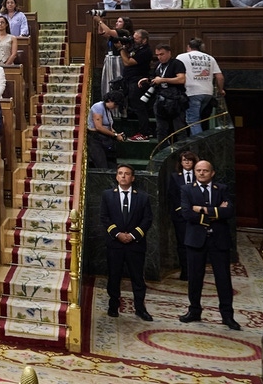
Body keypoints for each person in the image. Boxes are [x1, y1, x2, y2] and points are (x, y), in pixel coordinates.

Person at [179, 160, 239, 330]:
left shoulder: (222, 189)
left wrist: (203, 210)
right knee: (195, 278)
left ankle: (227, 316)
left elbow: (229, 212)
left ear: (212, 173)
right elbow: (187, 214)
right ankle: (194, 311)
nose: (201, 173)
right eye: (198, 170)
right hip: (195, 240)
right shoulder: (186, 189)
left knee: (223, 279)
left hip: (219, 240)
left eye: (205, 170)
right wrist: (216, 212)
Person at [100, 164, 153, 321]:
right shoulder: (107, 195)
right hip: (115, 245)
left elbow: (147, 219)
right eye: (120, 173)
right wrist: (117, 234)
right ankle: (113, 306)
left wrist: (132, 235)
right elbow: (104, 217)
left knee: (137, 278)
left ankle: (140, 308)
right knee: (114, 276)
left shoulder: (142, 197)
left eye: (127, 174)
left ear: (133, 177)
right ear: (116, 176)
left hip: (135, 244)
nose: (123, 176)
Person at [175, 38, 224, 136]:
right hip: (207, 92)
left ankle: (199, 146)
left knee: (193, 121)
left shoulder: (181, 57)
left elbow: (176, 72)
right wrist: (220, 90)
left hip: (191, 91)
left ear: (188, 47)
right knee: (198, 119)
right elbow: (220, 77)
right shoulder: (210, 58)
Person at [141, 43, 188, 145]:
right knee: (160, 130)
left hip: (176, 100)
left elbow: (181, 79)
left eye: (162, 54)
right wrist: (148, 80)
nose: (159, 57)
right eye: (157, 55)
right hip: (161, 100)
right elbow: (155, 79)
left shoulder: (177, 63)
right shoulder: (158, 65)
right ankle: (161, 152)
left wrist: (162, 80)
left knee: (179, 129)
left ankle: (183, 154)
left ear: (169, 53)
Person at [168, 150, 199, 280]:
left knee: (196, 243)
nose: (187, 162)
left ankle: (195, 271)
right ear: (181, 163)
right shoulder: (175, 177)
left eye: (189, 160)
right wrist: (180, 210)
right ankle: (185, 271)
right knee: (182, 244)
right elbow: (172, 196)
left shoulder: (199, 175)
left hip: (197, 215)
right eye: (184, 160)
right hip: (180, 216)